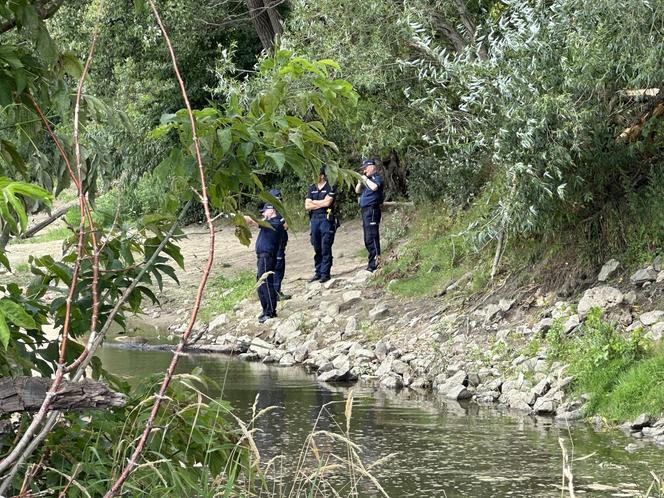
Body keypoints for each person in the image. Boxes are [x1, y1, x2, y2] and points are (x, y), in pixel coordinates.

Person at [244, 203, 285, 323]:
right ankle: (265, 309)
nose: (263, 214)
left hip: (267, 256)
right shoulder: (269, 222)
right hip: (262, 257)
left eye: (264, 211)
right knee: (260, 283)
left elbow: (253, 221)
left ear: (272, 210)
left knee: (266, 283)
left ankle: (271, 311)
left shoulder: (275, 223)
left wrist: (239, 217)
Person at [305, 166, 337, 283]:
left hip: (326, 219)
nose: (314, 177)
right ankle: (318, 272)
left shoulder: (330, 187)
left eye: (316, 175)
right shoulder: (311, 188)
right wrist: (321, 203)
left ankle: (325, 273)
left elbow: (328, 203)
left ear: (322, 176)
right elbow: (307, 206)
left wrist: (315, 202)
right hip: (314, 219)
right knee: (316, 246)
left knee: (325, 246)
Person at [355, 158, 385, 272]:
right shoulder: (366, 179)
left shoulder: (376, 178)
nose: (364, 171)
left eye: (365, 168)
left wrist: (365, 179)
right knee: (367, 238)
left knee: (372, 237)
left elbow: (375, 187)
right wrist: (360, 181)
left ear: (371, 167)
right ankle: (371, 263)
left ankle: (376, 264)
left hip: (372, 210)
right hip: (365, 211)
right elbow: (357, 191)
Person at [269, 188, 291, 300]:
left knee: (272, 267)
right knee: (278, 268)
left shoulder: (268, 210)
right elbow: (286, 225)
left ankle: (273, 292)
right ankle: (276, 293)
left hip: (274, 245)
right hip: (277, 244)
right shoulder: (275, 212)